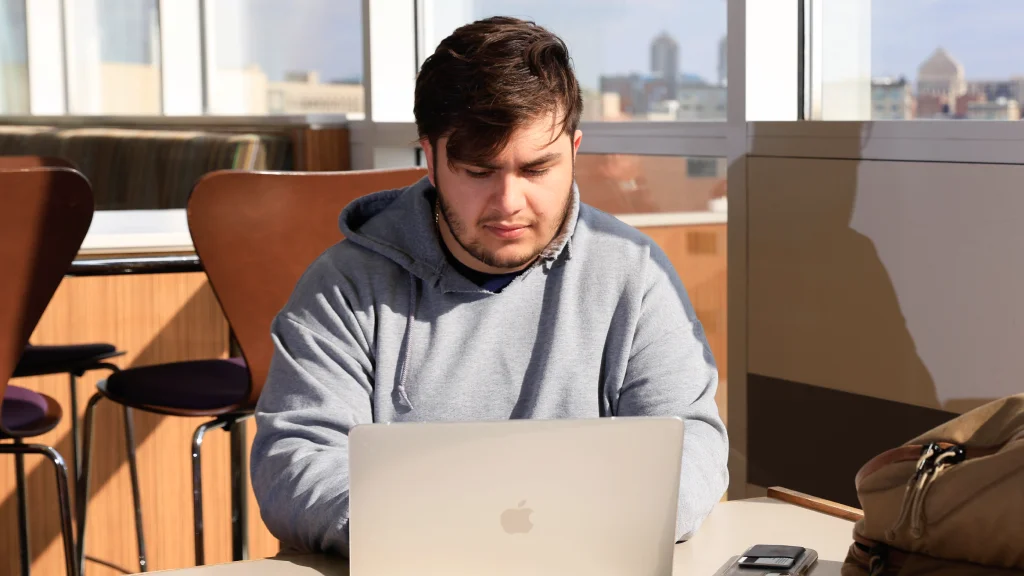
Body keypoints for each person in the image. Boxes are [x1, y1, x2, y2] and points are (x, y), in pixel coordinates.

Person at [251, 16, 728, 556]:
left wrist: (574, 530)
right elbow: (293, 461)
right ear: (430, 160)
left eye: (536, 169)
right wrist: (440, 537)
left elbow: (694, 444)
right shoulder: (343, 288)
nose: (509, 202)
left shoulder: (635, 274)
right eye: (479, 172)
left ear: (574, 151)